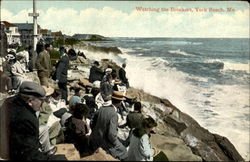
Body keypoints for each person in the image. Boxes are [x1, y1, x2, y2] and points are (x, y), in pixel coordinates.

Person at [0, 81, 67, 160]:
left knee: (44, 129)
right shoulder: (27, 119)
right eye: (41, 101)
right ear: (30, 101)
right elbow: (29, 156)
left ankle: (47, 151)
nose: (43, 104)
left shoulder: (9, 101)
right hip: (11, 151)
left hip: (7, 141)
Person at [89, 91, 128, 160]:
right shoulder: (114, 114)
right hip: (104, 144)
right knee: (124, 152)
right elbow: (111, 135)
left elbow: (92, 123)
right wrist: (117, 143)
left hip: (94, 139)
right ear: (120, 102)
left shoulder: (101, 108)